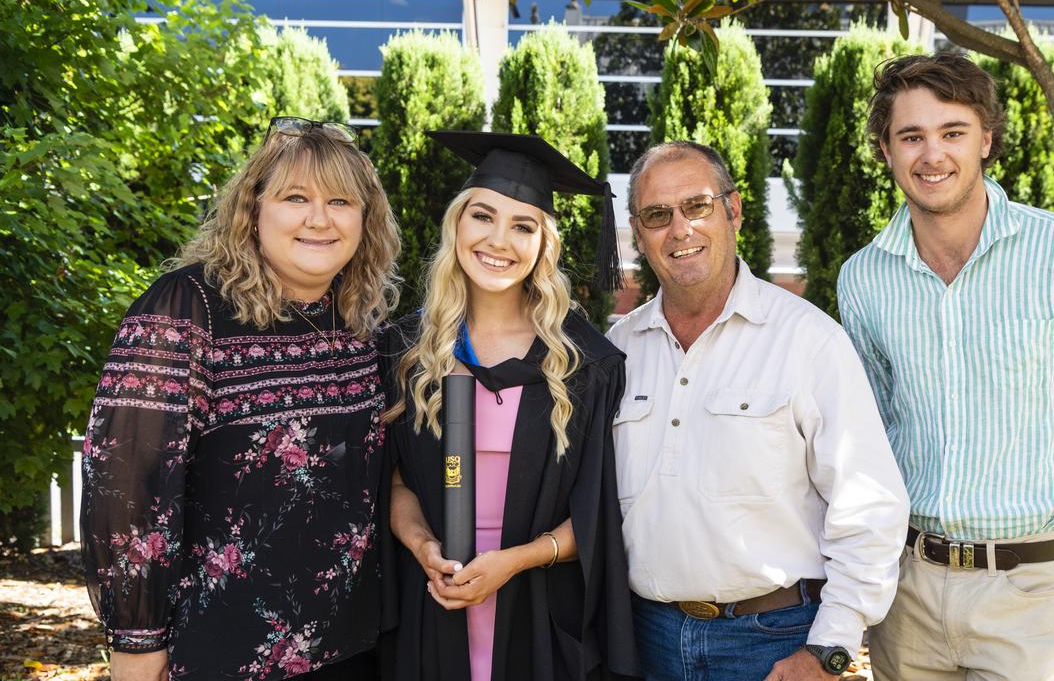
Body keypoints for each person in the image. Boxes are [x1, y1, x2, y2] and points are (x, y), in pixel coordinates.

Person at [837, 53, 1054, 680]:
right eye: (911, 136)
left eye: (952, 132)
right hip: (909, 591)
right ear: (885, 149)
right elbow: (874, 423)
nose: (933, 155)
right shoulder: (863, 278)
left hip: (1030, 593)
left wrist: (1037, 473)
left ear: (986, 138)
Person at [81, 117, 401, 680]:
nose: (319, 219)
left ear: (365, 219)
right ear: (253, 209)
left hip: (351, 649)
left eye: (341, 201)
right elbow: (127, 482)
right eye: (295, 197)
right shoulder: (185, 309)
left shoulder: (364, 328)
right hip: (216, 652)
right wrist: (135, 640)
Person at [606, 141, 909, 681]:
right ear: (638, 231)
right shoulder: (620, 349)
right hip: (645, 639)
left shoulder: (808, 341)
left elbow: (870, 507)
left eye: (697, 206)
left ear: (734, 210)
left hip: (772, 642)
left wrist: (829, 649)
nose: (680, 229)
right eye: (658, 215)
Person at [379, 131, 640, 681]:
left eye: (523, 226)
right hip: (433, 606)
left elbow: (598, 516)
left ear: (544, 245)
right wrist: (422, 544)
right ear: (457, 225)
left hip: (540, 619)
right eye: (482, 216)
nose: (499, 241)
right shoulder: (406, 353)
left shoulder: (586, 366)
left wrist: (514, 561)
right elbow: (397, 482)